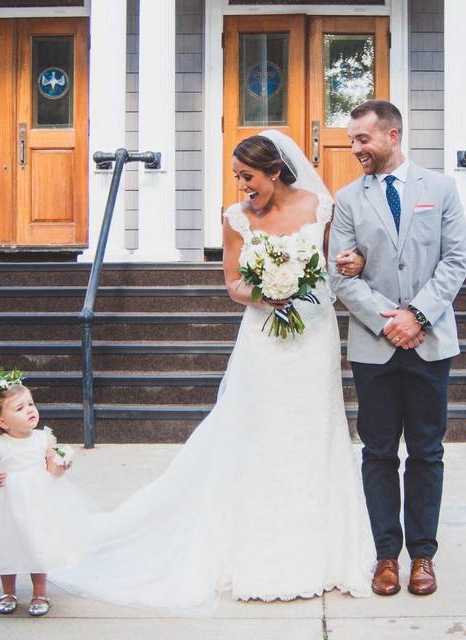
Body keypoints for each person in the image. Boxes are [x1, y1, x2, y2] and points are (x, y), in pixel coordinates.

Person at [51, 130, 375, 611]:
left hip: (313, 334)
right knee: (261, 434)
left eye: (249, 177)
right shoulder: (235, 218)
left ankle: (324, 551)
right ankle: (258, 547)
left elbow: (338, 264)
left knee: (316, 430)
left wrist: (351, 262)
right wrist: (267, 291)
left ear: (275, 171)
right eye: (237, 177)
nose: (244, 186)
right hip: (264, 338)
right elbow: (232, 283)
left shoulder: (319, 207)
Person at [329, 100, 466, 597]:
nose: (355, 149)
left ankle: (423, 557)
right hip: (375, 346)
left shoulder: (442, 188)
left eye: (362, 139)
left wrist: (419, 316)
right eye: (352, 141)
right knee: (379, 452)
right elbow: (340, 273)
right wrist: (388, 321)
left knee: (427, 452)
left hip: (431, 342)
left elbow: (456, 259)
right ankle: (386, 555)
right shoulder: (347, 199)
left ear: (392, 135)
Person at [0, 371, 94, 616]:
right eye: (20, 408)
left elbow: (51, 468)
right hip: (6, 503)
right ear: (2, 423)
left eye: (31, 404)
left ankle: (40, 593)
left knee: (37, 545)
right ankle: (9, 592)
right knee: (6, 545)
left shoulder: (42, 438)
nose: (30, 410)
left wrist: (61, 466)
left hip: (36, 501)